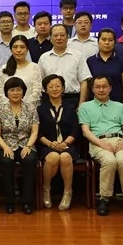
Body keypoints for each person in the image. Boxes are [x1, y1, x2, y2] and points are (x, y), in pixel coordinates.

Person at [78, 75, 123, 217]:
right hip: (98, 142)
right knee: (109, 161)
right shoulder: (85, 107)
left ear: (110, 88)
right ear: (92, 89)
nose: (101, 90)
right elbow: (85, 131)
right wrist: (102, 144)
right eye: (97, 87)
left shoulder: (120, 106)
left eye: (104, 86)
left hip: (120, 140)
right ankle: (104, 199)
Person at [0, 77, 39, 215]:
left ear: (23, 91)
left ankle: (27, 202)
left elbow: (34, 131)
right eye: (12, 90)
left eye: (18, 90)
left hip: (26, 144)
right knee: (6, 161)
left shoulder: (31, 108)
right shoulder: (0, 110)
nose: (15, 93)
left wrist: (28, 146)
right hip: (5, 144)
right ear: (6, 92)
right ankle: (10, 202)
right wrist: (5, 147)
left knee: (30, 160)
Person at [37, 74, 80, 211]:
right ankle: (46, 189)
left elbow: (75, 130)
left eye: (57, 86)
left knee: (65, 157)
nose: (54, 89)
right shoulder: (40, 109)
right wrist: (50, 144)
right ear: (45, 90)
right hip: (47, 144)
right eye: (51, 87)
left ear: (63, 88)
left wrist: (65, 143)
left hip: (68, 144)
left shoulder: (71, 107)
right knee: (53, 157)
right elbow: (38, 133)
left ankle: (68, 192)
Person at [38, 24, 91, 127]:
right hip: (50, 101)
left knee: (73, 131)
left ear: (68, 37)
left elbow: (84, 81)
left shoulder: (78, 56)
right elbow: (41, 83)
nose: (59, 38)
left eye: (62, 35)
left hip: (72, 100)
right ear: (50, 38)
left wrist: (81, 105)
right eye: (55, 35)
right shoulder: (44, 58)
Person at [86, 28, 123, 108]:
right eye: (103, 39)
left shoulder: (121, 61)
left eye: (110, 40)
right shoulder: (90, 61)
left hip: (117, 105)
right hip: (94, 106)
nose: (107, 43)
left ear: (115, 42)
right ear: (98, 41)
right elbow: (87, 86)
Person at [0, 35, 42, 108]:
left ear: (27, 49)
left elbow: (36, 91)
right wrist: (10, 108)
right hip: (8, 110)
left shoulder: (34, 67)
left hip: (30, 109)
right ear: (11, 49)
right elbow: (1, 92)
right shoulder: (4, 68)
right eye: (15, 47)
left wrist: (25, 108)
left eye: (22, 47)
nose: (18, 50)